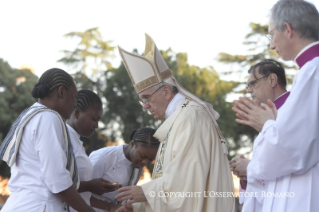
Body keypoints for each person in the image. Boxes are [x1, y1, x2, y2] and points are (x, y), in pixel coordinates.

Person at [114, 34, 234, 212]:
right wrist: (138, 207)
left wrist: (146, 194)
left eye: (147, 98)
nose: (145, 106)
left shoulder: (191, 117)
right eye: (142, 100)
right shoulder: (176, 121)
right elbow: (171, 181)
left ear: (167, 92)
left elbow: (188, 183)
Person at [232, 1, 319, 211]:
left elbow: (291, 151)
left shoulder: (311, 73)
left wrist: (267, 125)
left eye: (272, 34)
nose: (271, 45)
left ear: (287, 29)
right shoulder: (308, 72)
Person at [0, 68, 94, 212]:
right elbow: (57, 180)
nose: (75, 103)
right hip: (39, 206)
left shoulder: (30, 114)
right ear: (61, 92)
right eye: (74, 96)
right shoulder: (49, 118)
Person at [229, 59, 289, 211]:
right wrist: (247, 171)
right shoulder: (271, 114)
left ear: (272, 80)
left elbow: (289, 163)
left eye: (253, 83)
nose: (249, 90)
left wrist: (249, 168)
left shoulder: (291, 113)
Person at [66, 89, 121, 212]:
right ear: (78, 113)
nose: (96, 126)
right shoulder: (63, 139)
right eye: (94, 119)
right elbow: (57, 182)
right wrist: (90, 186)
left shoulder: (76, 141)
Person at [89, 127, 160, 212]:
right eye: (142, 156)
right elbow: (78, 191)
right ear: (133, 144)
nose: (145, 162)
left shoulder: (137, 165)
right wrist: (110, 207)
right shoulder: (103, 158)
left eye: (151, 159)